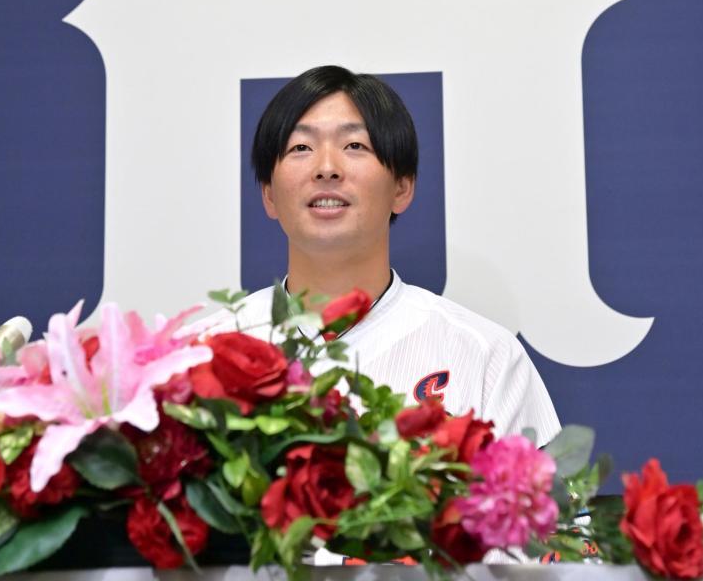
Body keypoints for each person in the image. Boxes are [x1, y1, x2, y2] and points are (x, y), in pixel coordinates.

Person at [213, 65, 560, 444]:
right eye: (301, 147)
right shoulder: (205, 353)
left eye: (354, 146)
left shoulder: (485, 356)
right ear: (268, 194)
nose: (326, 168)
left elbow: (538, 482)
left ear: (402, 188)